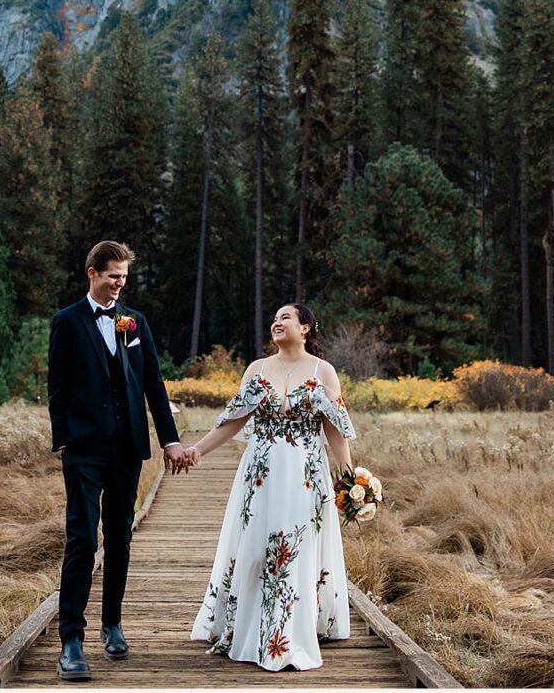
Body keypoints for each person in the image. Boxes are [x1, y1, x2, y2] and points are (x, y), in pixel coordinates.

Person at [182, 303, 356, 671]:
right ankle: (248, 627)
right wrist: (197, 449)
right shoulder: (256, 370)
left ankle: (290, 633)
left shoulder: (322, 371)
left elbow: (334, 429)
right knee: (257, 546)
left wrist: (351, 477)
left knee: (296, 548)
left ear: (306, 327)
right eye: (274, 319)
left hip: (305, 475)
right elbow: (233, 421)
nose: (276, 323)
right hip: (260, 474)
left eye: (285, 318)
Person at [47, 240, 189, 681]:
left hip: (128, 447)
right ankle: (71, 639)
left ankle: (112, 623)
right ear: (92, 272)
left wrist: (169, 440)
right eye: (112, 276)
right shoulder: (67, 323)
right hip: (84, 450)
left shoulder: (135, 323)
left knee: (120, 540)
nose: (118, 284)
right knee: (82, 540)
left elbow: (153, 385)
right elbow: (58, 387)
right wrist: (65, 441)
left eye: (124, 277)